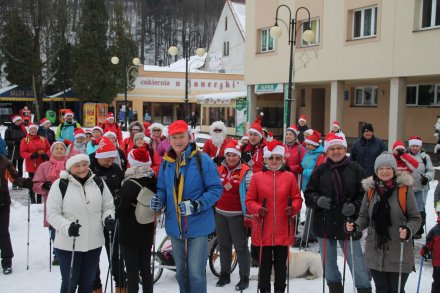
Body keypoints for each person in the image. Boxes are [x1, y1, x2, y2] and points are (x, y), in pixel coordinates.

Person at [150, 120, 222, 293]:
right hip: (176, 227)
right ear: (169, 139)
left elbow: (216, 189)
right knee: (181, 272)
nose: (177, 141)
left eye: (181, 136)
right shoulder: (167, 162)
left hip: (198, 226)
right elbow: (162, 189)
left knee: (196, 273)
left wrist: (197, 205)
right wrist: (159, 200)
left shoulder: (202, 160)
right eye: (173, 137)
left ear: (189, 137)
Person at [305, 132, 372, 293]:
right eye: (332, 148)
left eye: (339, 148)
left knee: (356, 263)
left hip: (349, 223)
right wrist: (317, 200)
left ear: (345, 149)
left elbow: (365, 194)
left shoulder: (355, 169)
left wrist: (355, 206)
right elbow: (308, 193)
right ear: (327, 151)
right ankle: (335, 289)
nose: (336, 151)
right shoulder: (320, 170)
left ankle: (363, 288)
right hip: (325, 222)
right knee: (329, 264)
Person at [346, 152, 421, 293]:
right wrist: (355, 225)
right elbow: (363, 216)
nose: (384, 171)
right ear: (376, 171)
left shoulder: (404, 190)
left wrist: (409, 229)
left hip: (398, 249)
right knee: (381, 289)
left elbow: (415, 218)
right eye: (381, 168)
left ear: (394, 170)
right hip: (375, 251)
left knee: (396, 289)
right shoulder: (371, 191)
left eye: (388, 168)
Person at [46, 154, 115, 293]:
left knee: (87, 284)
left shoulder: (98, 182)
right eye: (77, 165)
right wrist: (67, 227)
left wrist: (108, 218)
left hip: (93, 244)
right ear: (69, 167)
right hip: (68, 244)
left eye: (84, 164)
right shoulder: (60, 185)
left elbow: (108, 206)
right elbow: (52, 214)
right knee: (69, 283)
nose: (82, 168)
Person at [246, 140, 302, 293]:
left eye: (278, 158)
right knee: (263, 268)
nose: (274, 161)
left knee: (280, 267)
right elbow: (249, 200)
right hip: (263, 229)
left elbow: (297, 198)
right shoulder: (257, 177)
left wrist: (294, 208)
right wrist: (258, 209)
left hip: (283, 229)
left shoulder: (290, 177)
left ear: (282, 159)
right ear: (265, 159)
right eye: (271, 158)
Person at [117, 147, 157, 293]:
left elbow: (120, 211)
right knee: (146, 270)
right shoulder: (153, 179)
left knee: (132, 272)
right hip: (146, 230)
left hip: (129, 232)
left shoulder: (129, 183)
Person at [89, 137, 126, 293]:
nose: (111, 162)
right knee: (92, 258)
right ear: (100, 156)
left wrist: (120, 196)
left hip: (113, 218)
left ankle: (121, 286)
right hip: (93, 219)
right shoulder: (88, 168)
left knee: (117, 256)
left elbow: (123, 186)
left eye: (113, 158)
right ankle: (96, 287)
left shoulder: (116, 169)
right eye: (108, 159)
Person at [215, 140, 253, 290]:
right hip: (220, 213)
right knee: (223, 246)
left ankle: (244, 277)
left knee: (241, 248)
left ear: (239, 156)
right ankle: (225, 274)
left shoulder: (246, 171)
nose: (231, 158)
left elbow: (251, 194)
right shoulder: (219, 169)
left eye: (234, 155)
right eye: (228, 155)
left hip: (238, 215)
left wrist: (249, 216)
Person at [32, 141, 67, 265]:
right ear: (51, 151)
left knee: (68, 225)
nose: (59, 150)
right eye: (56, 148)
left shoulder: (71, 164)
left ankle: (67, 251)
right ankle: (57, 253)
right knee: (54, 227)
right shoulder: (44, 166)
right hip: (51, 201)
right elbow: (35, 184)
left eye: (61, 148)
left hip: (69, 200)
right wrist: (44, 185)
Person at [0, 154, 33, 274]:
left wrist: (25, 182)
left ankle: (7, 261)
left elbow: (15, 178)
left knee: (3, 233)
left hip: (2, 202)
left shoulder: (4, 162)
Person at [294, 129, 325, 247]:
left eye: (309, 144)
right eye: (307, 144)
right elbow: (304, 164)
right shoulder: (308, 153)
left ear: (315, 145)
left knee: (312, 211)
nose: (307, 146)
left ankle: (309, 234)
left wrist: (303, 171)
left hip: (314, 186)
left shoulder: (320, 156)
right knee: (308, 210)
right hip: (305, 185)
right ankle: (310, 233)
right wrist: (299, 167)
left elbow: (316, 171)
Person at [407, 136, 435, 239]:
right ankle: (409, 227)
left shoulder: (425, 157)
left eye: (417, 146)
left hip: (421, 187)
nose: (415, 148)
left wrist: (427, 178)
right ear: (410, 146)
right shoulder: (405, 156)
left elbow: (431, 170)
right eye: (413, 145)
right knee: (408, 208)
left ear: (420, 146)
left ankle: (419, 229)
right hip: (408, 188)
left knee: (419, 208)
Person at [20, 123, 51, 204]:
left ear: (37, 130)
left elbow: (49, 149)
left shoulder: (43, 139)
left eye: (34, 129)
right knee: (32, 182)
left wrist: (46, 155)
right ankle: (33, 199)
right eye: (31, 129)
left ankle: (39, 200)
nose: (33, 130)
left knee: (41, 181)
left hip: (42, 164)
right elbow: (22, 152)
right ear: (28, 130)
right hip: (31, 164)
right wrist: (30, 155)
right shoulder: (25, 140)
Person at [4, 115, 27, 187]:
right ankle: (14, 182)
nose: (19, 122)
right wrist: (13, 142)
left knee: (20, 167)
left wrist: (23, 142)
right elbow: (6, 141)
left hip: (21, 149)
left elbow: (26, 138)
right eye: (17, 121)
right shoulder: (9, 129)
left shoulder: (23, 129)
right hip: (13, 150)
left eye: (20, 120)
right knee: (13, 167)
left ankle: (20, 182)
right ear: (14, 122)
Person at [420, 214, 440, 293]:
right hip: (438, 265)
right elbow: (429, 243)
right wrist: (425, 249)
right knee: (437, 284)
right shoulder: (435, 230)